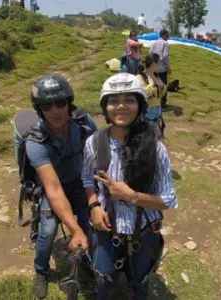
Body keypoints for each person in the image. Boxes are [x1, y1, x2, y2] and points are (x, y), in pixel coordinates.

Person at [82, 73, 178, 299]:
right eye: (114, 101)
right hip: (106, 230)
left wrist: (131, 196)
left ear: (140, 105)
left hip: (143, 232)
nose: (121, 106)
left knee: (140, 284)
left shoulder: (155, 147)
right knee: (104, 283)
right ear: (105, 108)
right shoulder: (94, 143)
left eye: (129, 100)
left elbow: (168, 199)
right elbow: (87, 180)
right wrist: (94, 205)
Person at [26, 75, 98, 298]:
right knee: (47, 232)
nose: (55, 110)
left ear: (69, 102)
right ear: (39, 109)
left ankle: (86, 258)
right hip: (55, 188)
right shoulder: (35, 141)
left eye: (60, 103)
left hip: (80, 182)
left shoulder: (85, 124)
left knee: (91, 224)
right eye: (47, 105)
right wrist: (73, 229)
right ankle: (41, 270)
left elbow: (99, 157)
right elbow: (54, 188)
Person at [136, 54, 166, 137]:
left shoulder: (157, 77)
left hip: (158, 111)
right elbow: (142, 95)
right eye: (159, 63)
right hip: (147, 112)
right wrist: (151, 85)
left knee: (156, 137)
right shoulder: (140, 77)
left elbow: (161, 95)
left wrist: (162, 86)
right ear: (153, 64)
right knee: (147, 137)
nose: (160, 65)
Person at [150, 29, 170, 109]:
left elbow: (150, 53)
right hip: (162, 68)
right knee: (163, 85)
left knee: (154, 84)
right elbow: (165, 56)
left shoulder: (153, 43)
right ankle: (162, 103)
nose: (168, 37)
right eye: (167, 35)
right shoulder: (165, 44)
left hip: (154, 67)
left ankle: (155, 101)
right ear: (164, 35)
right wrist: (168, 67)